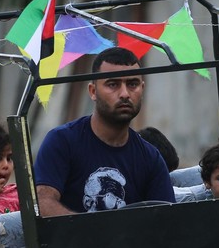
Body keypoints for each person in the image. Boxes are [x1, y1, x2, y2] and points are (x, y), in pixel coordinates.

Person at [34, 47, 176, 215]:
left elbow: (167, 223)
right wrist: (93, 237)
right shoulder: (62, 141)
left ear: (142, 88)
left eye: (132, 84)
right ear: (93, 91)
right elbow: (42, 204)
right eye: (113, 84)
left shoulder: (151, 158)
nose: (124, 94)